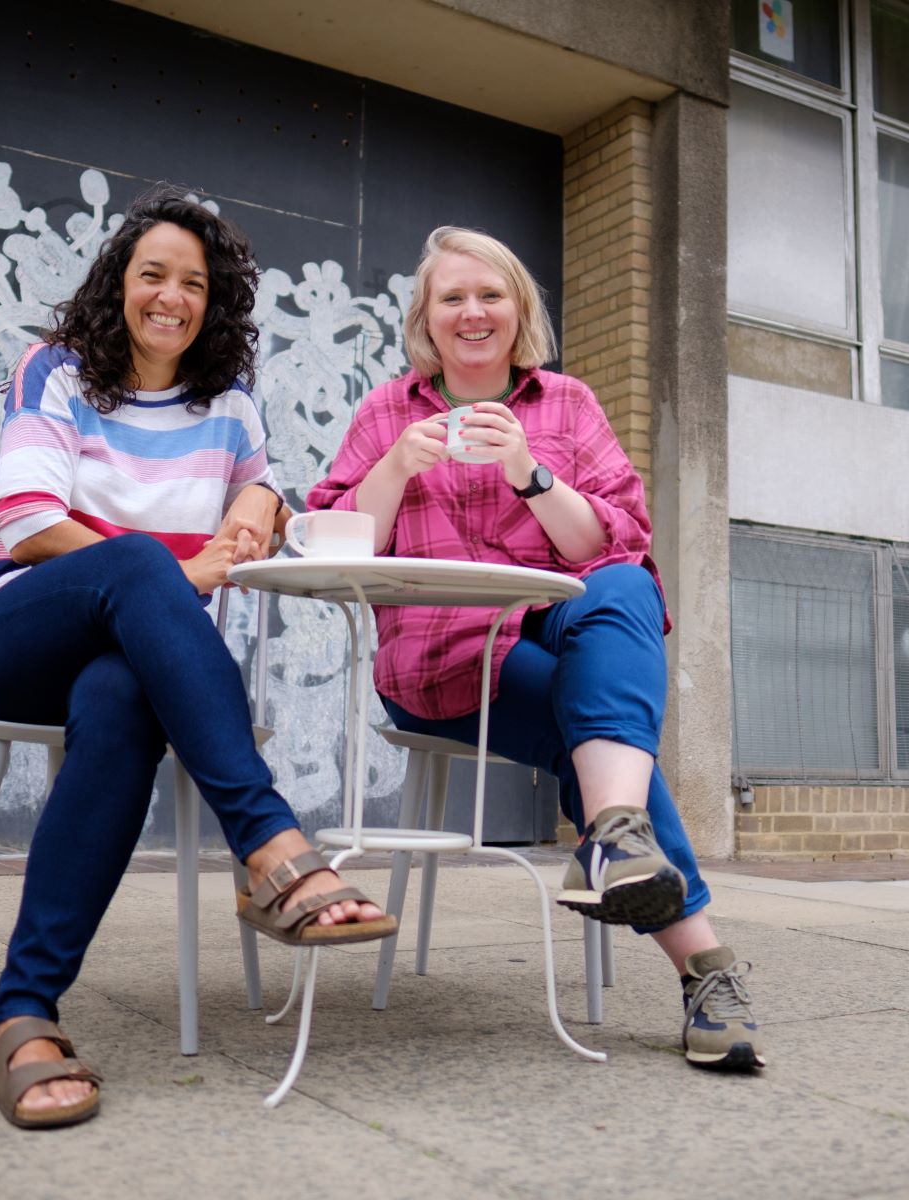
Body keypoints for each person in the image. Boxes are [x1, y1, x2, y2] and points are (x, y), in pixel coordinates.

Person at [0, 184, 396, 1130]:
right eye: (152, 274)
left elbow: (266, 490)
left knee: (120, 699)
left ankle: (23, 1016)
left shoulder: (230, 403)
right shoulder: (56, 370)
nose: (171, 297)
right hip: (15, 638)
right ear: (119, 283)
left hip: (131, 663)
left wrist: (258, 507)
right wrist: (185, 565)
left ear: (213, 302)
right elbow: (29, 519)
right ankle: (272, 846)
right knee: (141, 566)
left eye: (193, 283)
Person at [307, 227, 765, 1072]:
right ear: (427, 318)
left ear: (520, 311)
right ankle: (698, 958)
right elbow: (337, 545)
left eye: (491, 295)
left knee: (624, 590)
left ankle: (617, 836)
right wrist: (395, 469)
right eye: (453, 298)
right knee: (599, 731)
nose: (473, 312)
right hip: (438, 658)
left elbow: (611, 543)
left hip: (557, 624)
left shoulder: (568, 406)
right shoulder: (386, 412)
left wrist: (531, 473)